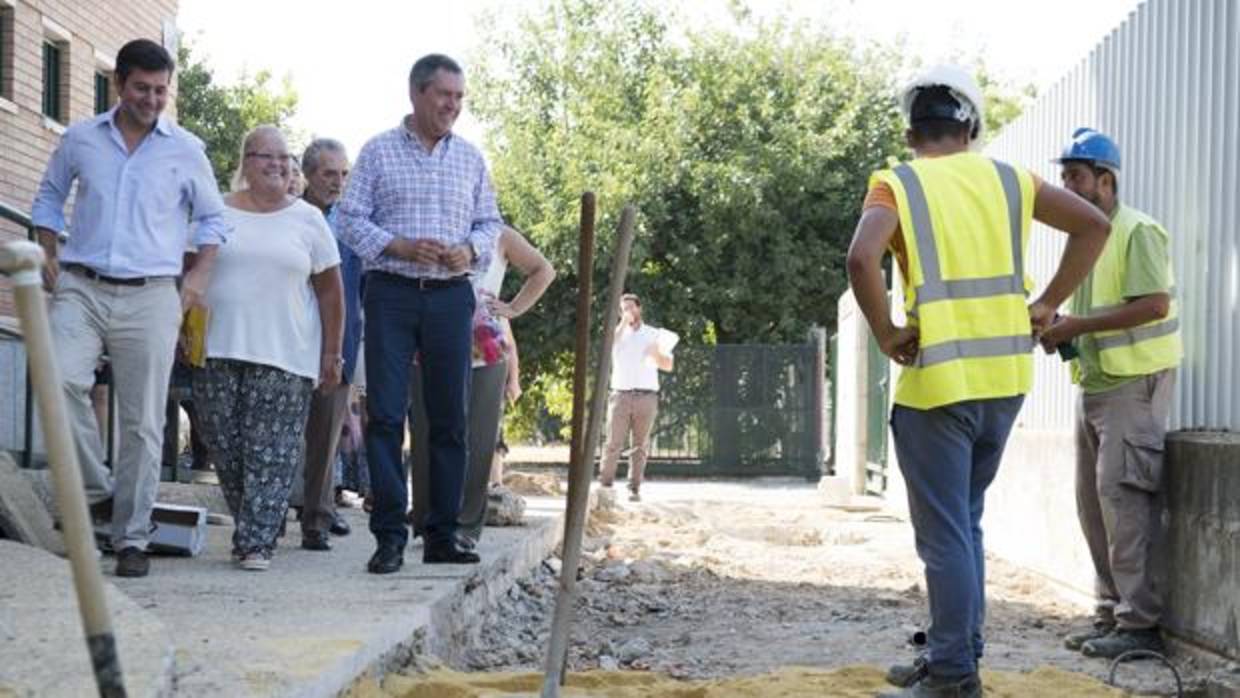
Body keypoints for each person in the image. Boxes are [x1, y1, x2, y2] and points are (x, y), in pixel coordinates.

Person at [846, 65, 1110, 698]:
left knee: (944, 537)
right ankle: (956, 652)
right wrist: (1047, 304)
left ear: (912, 133)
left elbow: (861, 258)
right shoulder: (1010, 178)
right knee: (965, 525)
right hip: (1005, 382)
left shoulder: (897, 184)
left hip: (938, 386)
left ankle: (953, 675)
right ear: (970, 129)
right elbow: (1093, 226)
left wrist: (886, 334)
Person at [31, 38, 229, 578]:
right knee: (56, 380)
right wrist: (47, 249)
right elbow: (48, 196)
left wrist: (199, 276)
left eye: (161, 90)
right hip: (82, 283)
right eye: (142, 88)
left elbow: (213, 220)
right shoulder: (80, 138)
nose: (152, 99)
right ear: (119, 84)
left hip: (152, 294)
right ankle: (98, 493)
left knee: (143, 422)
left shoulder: (185, 149)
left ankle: (132, 537)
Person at [338, 53, 503, 573]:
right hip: (391, 292)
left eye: (459, 97)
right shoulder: (378, 152)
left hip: (452, 297)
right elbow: (348, 219)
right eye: (444, 95)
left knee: (449, 419)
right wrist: (399, 247)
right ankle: (389, 535)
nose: (452, 105)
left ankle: (441, 535)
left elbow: (490, 223)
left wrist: (470, 252)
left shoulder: (472, 159)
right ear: (417, 94)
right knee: (387, 415)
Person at [1039, 128, 1182, 660]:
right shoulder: (1088, 238)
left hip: (1132, 385)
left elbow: (1153, 306)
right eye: (1064, 177)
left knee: (1124, 505)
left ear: (1106, 180)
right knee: (1094, 507)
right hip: (1096, 385)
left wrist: (1074, 327)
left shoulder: (1136, 231)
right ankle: (1110, 614)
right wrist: (1058, 323)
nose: (1066, 186)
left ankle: (1139, 625)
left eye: (1076, 176)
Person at [192, 125, 344, 571]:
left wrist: (332, 353)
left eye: (285, 158)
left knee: (272, 449)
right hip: (216, 348)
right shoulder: (216, 210)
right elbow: (190, 270)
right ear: (246, 162)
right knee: (224, 443)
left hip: (286, 353)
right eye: (266, 157)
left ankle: (256, 540)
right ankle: (261, 518)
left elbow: (331, 293)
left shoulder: (308, 220)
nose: (278, 165)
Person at [410, 225, 554, 548]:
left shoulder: (500, 235)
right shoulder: (430, 220)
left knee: (478, 439)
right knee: (425, 431)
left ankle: (465, 527)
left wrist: (513, 308)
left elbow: (543, 270)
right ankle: (426, 521)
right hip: (428, 339)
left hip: (484, 345)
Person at [289, 137, 361, 552]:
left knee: (325, 437)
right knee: (283, 434)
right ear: (308, 174)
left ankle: (316, 520)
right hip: (291, 338)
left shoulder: (351, 225)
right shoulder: (289, 216)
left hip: (340, 340)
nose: (337, 182)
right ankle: (273, 513)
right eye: (329, 174)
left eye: (343, 174)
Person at [598, 293, 675, 503]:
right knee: (613, 442)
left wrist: (656, 355)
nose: (628, 312)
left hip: (646, 396)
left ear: (639, 309)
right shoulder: (616, 333)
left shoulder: (654, 334)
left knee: (640, 445)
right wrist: (622, 323)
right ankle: (605, 485)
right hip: (620, 395)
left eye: (631, 307)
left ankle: (634, 488)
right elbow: (606, 346)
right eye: (624, 309)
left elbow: (668, 365)